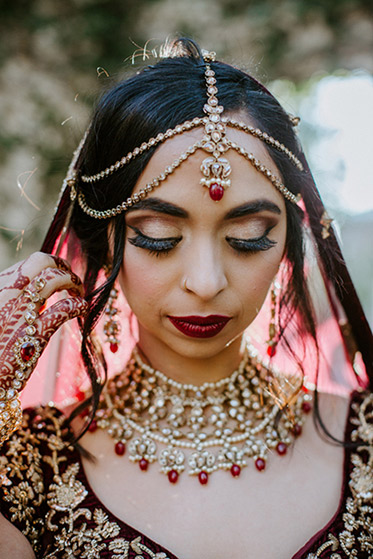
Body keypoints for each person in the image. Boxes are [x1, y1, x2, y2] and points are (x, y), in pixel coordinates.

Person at [0, 37, 371, 559]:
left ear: (289, 241)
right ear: (102, 240)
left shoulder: (367, 440)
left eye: (248, 237)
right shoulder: (27, 469)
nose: (206, 281)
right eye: (157, 235)